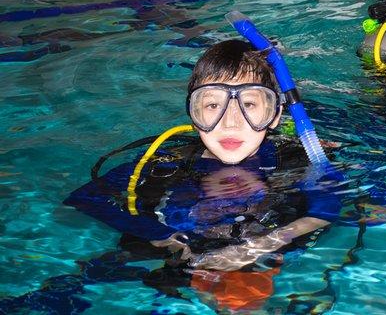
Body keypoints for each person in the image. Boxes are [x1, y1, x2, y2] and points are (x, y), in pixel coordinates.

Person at [63, 39, 339, 311]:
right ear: (194, 114)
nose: (231, 122)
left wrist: (263, 244)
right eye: (212, 106)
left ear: (275, 114)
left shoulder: (296, 159)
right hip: (176, 250)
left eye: (250, 105)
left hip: (263, 252)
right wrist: (163, 236)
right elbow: (85, 198)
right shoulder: (168, 162)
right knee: (90, 278)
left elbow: (326, 208)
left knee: (245, 301)